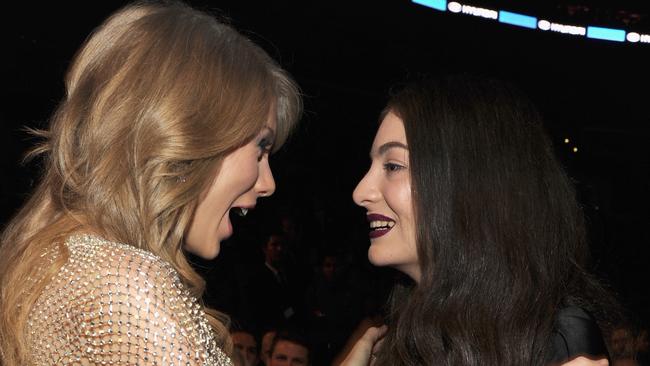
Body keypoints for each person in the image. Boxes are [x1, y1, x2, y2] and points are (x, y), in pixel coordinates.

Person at [0, 1, 301, 365]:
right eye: (261, 148)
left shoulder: (51, 258)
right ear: (192, 135)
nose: (267, 183)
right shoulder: (127, 286)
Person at [344, 75, 618, 366]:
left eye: (393, 165)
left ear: (467, 184)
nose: (360, 192)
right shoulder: (406, 339)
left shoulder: (557, 344)